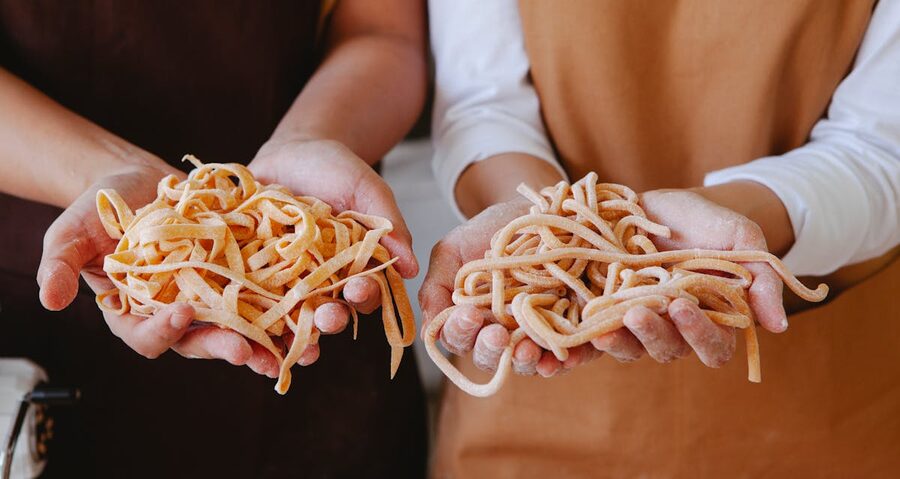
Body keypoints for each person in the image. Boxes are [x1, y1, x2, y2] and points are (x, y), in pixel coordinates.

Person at [423, 0, 900, 476]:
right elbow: (482, 101)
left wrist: (743, 215)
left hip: (828, 394)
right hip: (535, 409)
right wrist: (537, 224)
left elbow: (881, 143)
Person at [0, 0, 427, 476]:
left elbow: (381, 32)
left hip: (317, 310)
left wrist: (311, 137)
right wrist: (107, 177)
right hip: (61, 295)